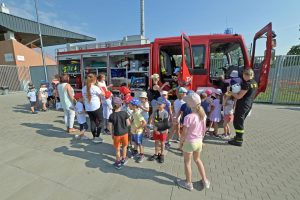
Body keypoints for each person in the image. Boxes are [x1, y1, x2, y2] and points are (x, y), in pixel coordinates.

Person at [176, 92, 210, 191]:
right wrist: (202, 141)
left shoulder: (188, 117)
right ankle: (205, 180)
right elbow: (204, 130)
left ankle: (188, 183)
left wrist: (180, 143)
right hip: (199, 142)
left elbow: (184, 134)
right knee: (198, 160)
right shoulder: (203, 115)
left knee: (187, 162)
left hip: (190, 142)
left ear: (190, 104)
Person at [227, 68, 257, 146]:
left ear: (245, 75)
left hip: (242, 105)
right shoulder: (254, 83)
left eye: (243, 74)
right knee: (239, 121)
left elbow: (239, 96)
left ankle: (239, 140)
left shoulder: (246, 84)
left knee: (238, 122)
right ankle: (237, 137)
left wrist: (230, 92)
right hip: (248, 104)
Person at [108, 97, 131, 170]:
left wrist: (112, 134)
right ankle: (123, 158)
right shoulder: (124, 113)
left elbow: (109, 127)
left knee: (117, 149)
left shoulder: (111, 115)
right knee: (124, 146)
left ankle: (118, 162)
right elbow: (128, 124)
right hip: (125, 133)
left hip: (116, 134)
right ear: (121, 105)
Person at [82, 74, 104, 143]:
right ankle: (97, 137)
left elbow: (84, 98)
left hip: (88, 108)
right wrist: (100, 87)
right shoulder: (95, 88)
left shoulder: (83, 88)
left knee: (92, 121)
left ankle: (94, 136)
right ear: (94, 80)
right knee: (101, 121)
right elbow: (103, 94)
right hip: (96, 107)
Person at [149, 98, 169, 163]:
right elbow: (153, 120)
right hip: (156, 130)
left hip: (163, 131)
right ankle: (156, 153)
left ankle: (162, 154)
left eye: (160, 104)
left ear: (164, 105)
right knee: (156, 142)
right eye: (158, 104)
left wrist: (166, 129)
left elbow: (166, 122)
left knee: (162, 143)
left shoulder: (165, 113)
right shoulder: (155, 111)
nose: (158, 105)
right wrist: (154, 128)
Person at [129, 98, 147, 163]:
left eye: (130, 105)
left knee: (139, 143)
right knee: (135, 142)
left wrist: (138, 128)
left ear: (134, 106)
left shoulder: (138, 113)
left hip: (138, 131)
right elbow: (133, 119)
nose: (129, 105)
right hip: (133, 130)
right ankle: (135, 151)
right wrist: (131, 121)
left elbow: (144, 122)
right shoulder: (133, 112)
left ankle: (142, 154)